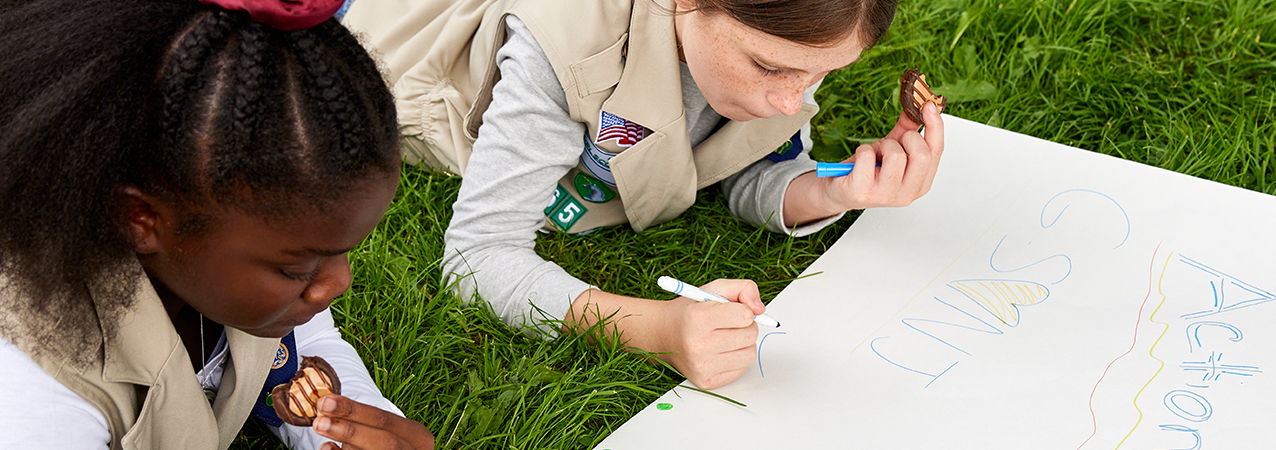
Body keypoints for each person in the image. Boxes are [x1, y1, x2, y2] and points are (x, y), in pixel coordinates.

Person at [0, 0, 435, 449]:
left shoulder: (234, 246)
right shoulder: (11, 385)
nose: (334, 285)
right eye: (300, 266)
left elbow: (299, 348)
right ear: (140, 217)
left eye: (341, 252)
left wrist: (349, 423)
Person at [339, 0, 943, 389]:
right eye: (767, 67)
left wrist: (837, 192)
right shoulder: (560, 52)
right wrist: (654, 330)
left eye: (821, 76)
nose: (793, 102)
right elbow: (478, 257)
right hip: (387, 31)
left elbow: (746, 169)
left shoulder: (779, 46)